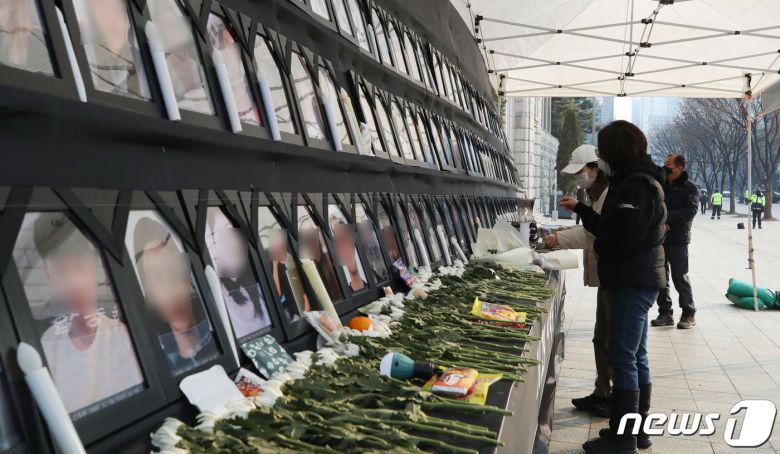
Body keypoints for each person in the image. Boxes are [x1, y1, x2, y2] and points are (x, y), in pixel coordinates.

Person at [560, 120, 666, 453]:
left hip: (632, 279)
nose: (602, 157)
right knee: (635, 355)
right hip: (634, 277)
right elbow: (608, 225)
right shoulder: (631, 180)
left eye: (604, 150)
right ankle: (637, 430)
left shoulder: (636, 185)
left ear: (617, 150)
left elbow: (623, 236)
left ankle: (624, 438)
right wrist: (582, 209)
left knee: (622, 356)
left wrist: (602, 249)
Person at [33, 213, 143, 414]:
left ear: (96, 268)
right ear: (48, 274)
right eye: (61, 271)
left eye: (80, 267)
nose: (74, 283)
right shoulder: (48, 346)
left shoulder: (123, 338)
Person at [545, 144, 612, 418]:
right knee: (601, 337)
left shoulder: (608, 193)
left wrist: (560, 238)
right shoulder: (594, 192)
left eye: (580, 171)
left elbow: (594, 234)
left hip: (616, 276)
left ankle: (611, 398)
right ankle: (602, 391)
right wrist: (565, 230)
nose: (578, 177)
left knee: (609, 339)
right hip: (608, 275)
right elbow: (590, 226)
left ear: (595, 168)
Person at [132, 215, 218, 376]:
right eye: (156, 277)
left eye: (173, 270)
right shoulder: (161, 370)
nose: (170, 291)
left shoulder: (221, 340)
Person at [651, 154, 699, 330]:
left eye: (669, 164)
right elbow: (652, 206)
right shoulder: (659, 184)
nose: (665, 167)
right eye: (664, 163)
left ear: (679, 168)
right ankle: (665, 312)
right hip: (659, 237)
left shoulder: (690, 187)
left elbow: (690, 212)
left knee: (680, 276)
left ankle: (688, 313)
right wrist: (661, 221)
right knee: (660, 276)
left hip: (678, 239)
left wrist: (666, 218)